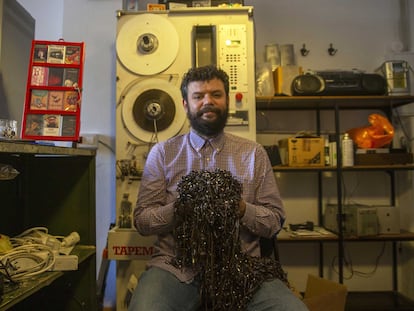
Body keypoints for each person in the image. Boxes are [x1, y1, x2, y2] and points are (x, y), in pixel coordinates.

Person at [129, 65, 308, 311]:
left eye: (216, 95)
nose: (207, 102)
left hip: (243, 268)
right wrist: (180, 209)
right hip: (175, 267)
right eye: (198, 96)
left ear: (226, 101)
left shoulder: (253, 154)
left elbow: (274, 221)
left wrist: (241, 208)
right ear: (185, 104)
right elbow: (142, 221)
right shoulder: (163, 154)